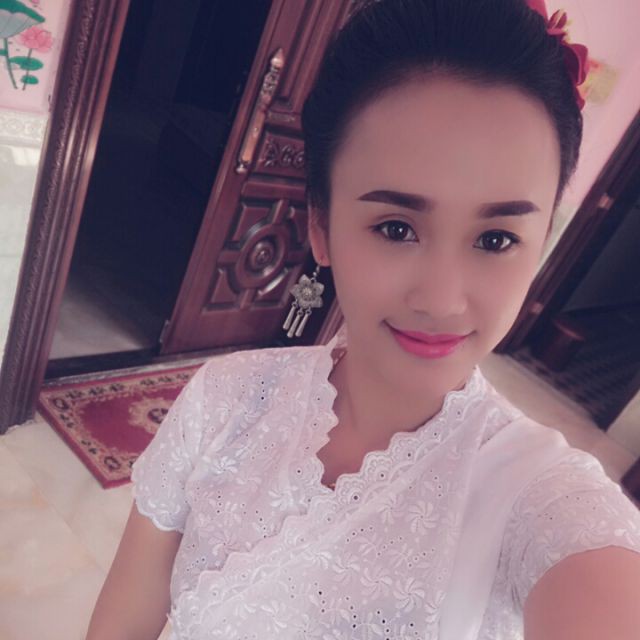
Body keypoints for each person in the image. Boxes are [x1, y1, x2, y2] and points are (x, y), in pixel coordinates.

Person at [86, 0, 640, 638]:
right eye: (396, 227)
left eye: (496, 239)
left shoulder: (542, 499)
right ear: (321, 226)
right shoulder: (225, 401)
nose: (442, 300)